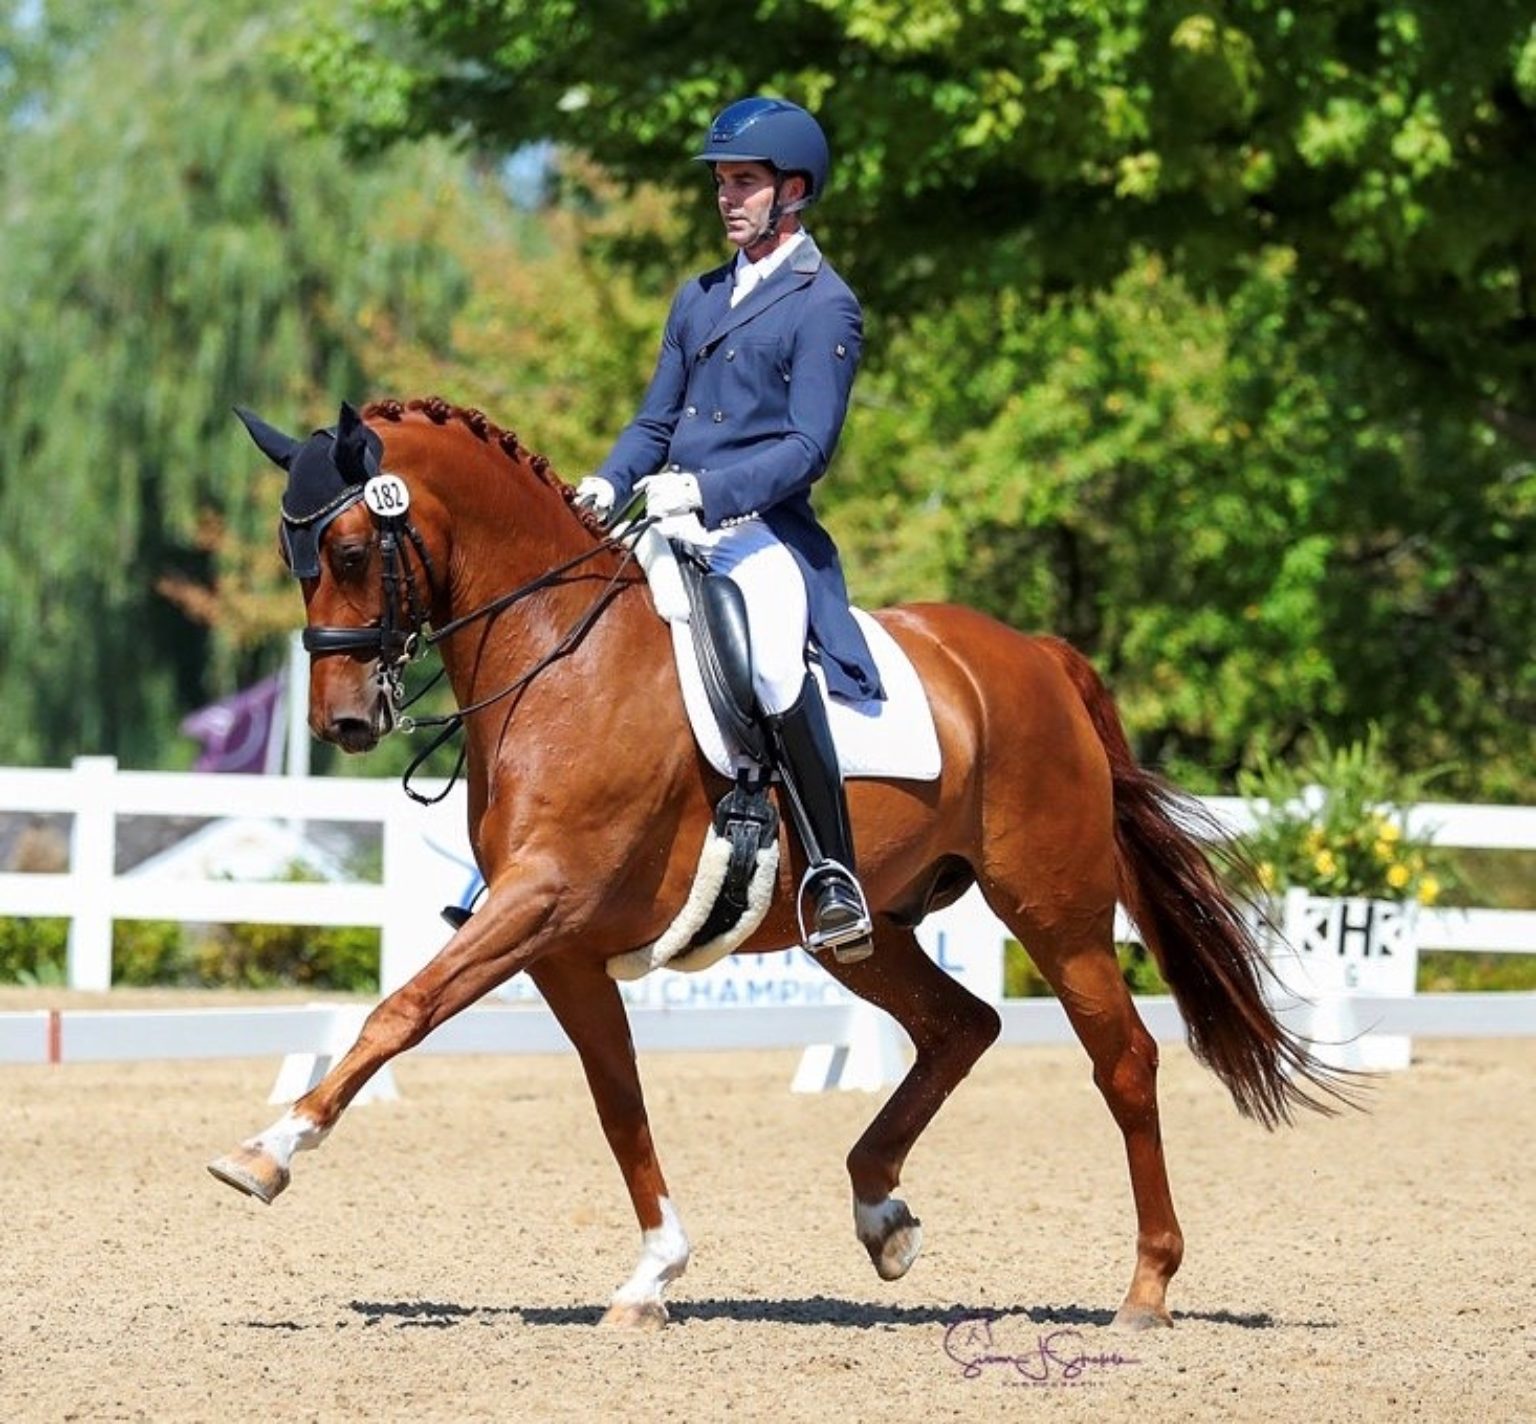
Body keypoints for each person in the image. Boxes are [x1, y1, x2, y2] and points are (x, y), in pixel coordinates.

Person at [577, 95, 882, 961]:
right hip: (668, 516)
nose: (726, 197)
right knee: (577, 635)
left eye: (743, 181)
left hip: (761, 534)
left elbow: (807, 447)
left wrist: (704, 492)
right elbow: (653, 420)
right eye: (722, 182)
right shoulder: (699, 296)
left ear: (792, 190)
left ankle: (833, 873)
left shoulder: (825, 305)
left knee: (778, 671)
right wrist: (609, 480)